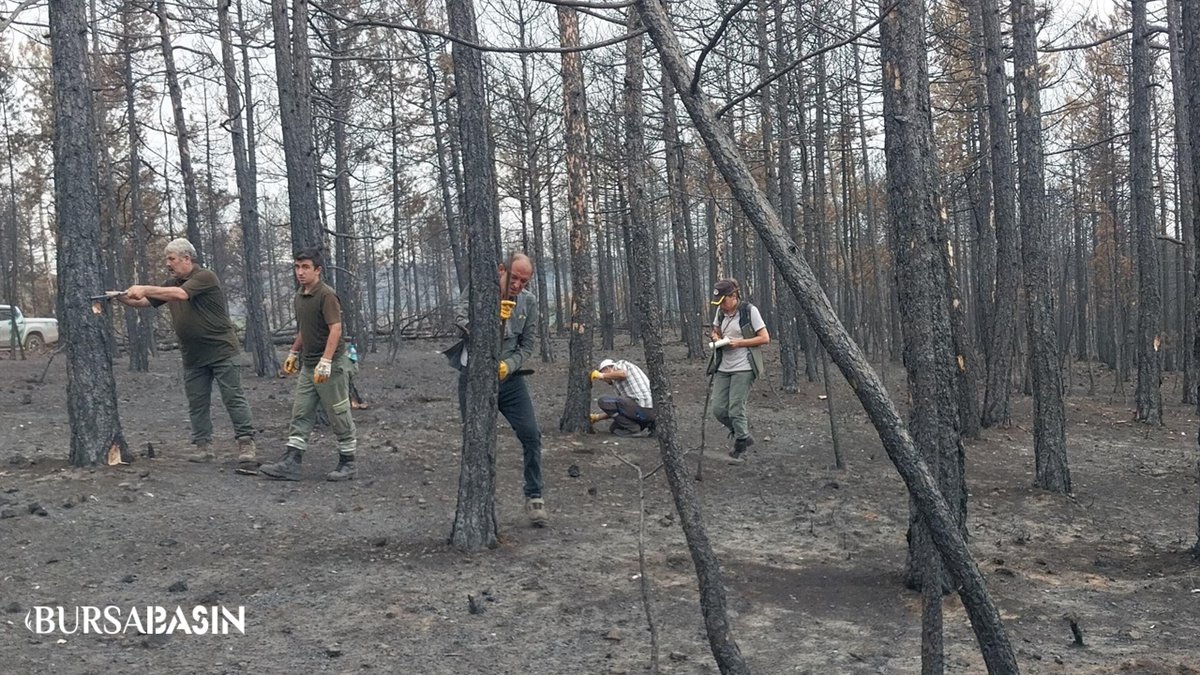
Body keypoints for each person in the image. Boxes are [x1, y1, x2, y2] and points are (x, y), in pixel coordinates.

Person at [109, 238, 257, 473]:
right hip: (193, 356)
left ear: (187, 259)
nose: (168, 264)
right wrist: (119, 296)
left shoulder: (204, 278)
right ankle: (203, 447)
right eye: (167, 259)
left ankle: (246, 445)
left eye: (172, 259)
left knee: (233, 398)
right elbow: (145, 302)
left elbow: (180, 295)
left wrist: (145, 287)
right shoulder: (171, 283)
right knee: (197, 403)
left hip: (221, 351)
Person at [452, 253, 546, 527]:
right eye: (514, 277)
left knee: (531, 435)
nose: (517, 285)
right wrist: (491, 320)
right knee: (476, 439)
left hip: (510, 381)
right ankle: (480, 501)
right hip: (475, 378)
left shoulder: (528, 302)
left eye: (523, 281)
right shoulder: (479, 289)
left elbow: (527, 345)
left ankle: (535, 495)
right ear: (501, 269)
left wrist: (509, 365)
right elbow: (460, 320)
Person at [260, 248, 359, 482]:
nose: (300, 272)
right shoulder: (299, 296)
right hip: (309, 365)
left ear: (318, 270)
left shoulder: (326, 295)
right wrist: (294, 352)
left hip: (331, 364)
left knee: (338, 412)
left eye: (305, 267)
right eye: (297, 267)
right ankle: (291, 462)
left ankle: (348, 462)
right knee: (301, 411)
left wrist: (326, 360)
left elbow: (335, 328)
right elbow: (304, 329)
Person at [707, 278, 770, 461]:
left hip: (744, 365)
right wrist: (716, 336)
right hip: (723, 365)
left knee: (735, 409)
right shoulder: (720, 311)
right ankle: (743, 434)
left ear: (733, 296)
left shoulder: (749, 311)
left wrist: (739, 343)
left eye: (724, 301)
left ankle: (741, 443)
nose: (722, 306)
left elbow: (765, 338)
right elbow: (715, 329)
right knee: (719, 409)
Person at [589, 358, 656, 437]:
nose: (604, 381)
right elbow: (620, 408)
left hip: (642, 406)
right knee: (614, 428)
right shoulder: (619, 384)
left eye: (603, 378)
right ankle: (647, 424)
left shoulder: (620, 365)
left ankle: (633, 429)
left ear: (607, 369)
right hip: (650, 411)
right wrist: (598, 417)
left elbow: (623, 373)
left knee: (604, 401)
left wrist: (602, 375)